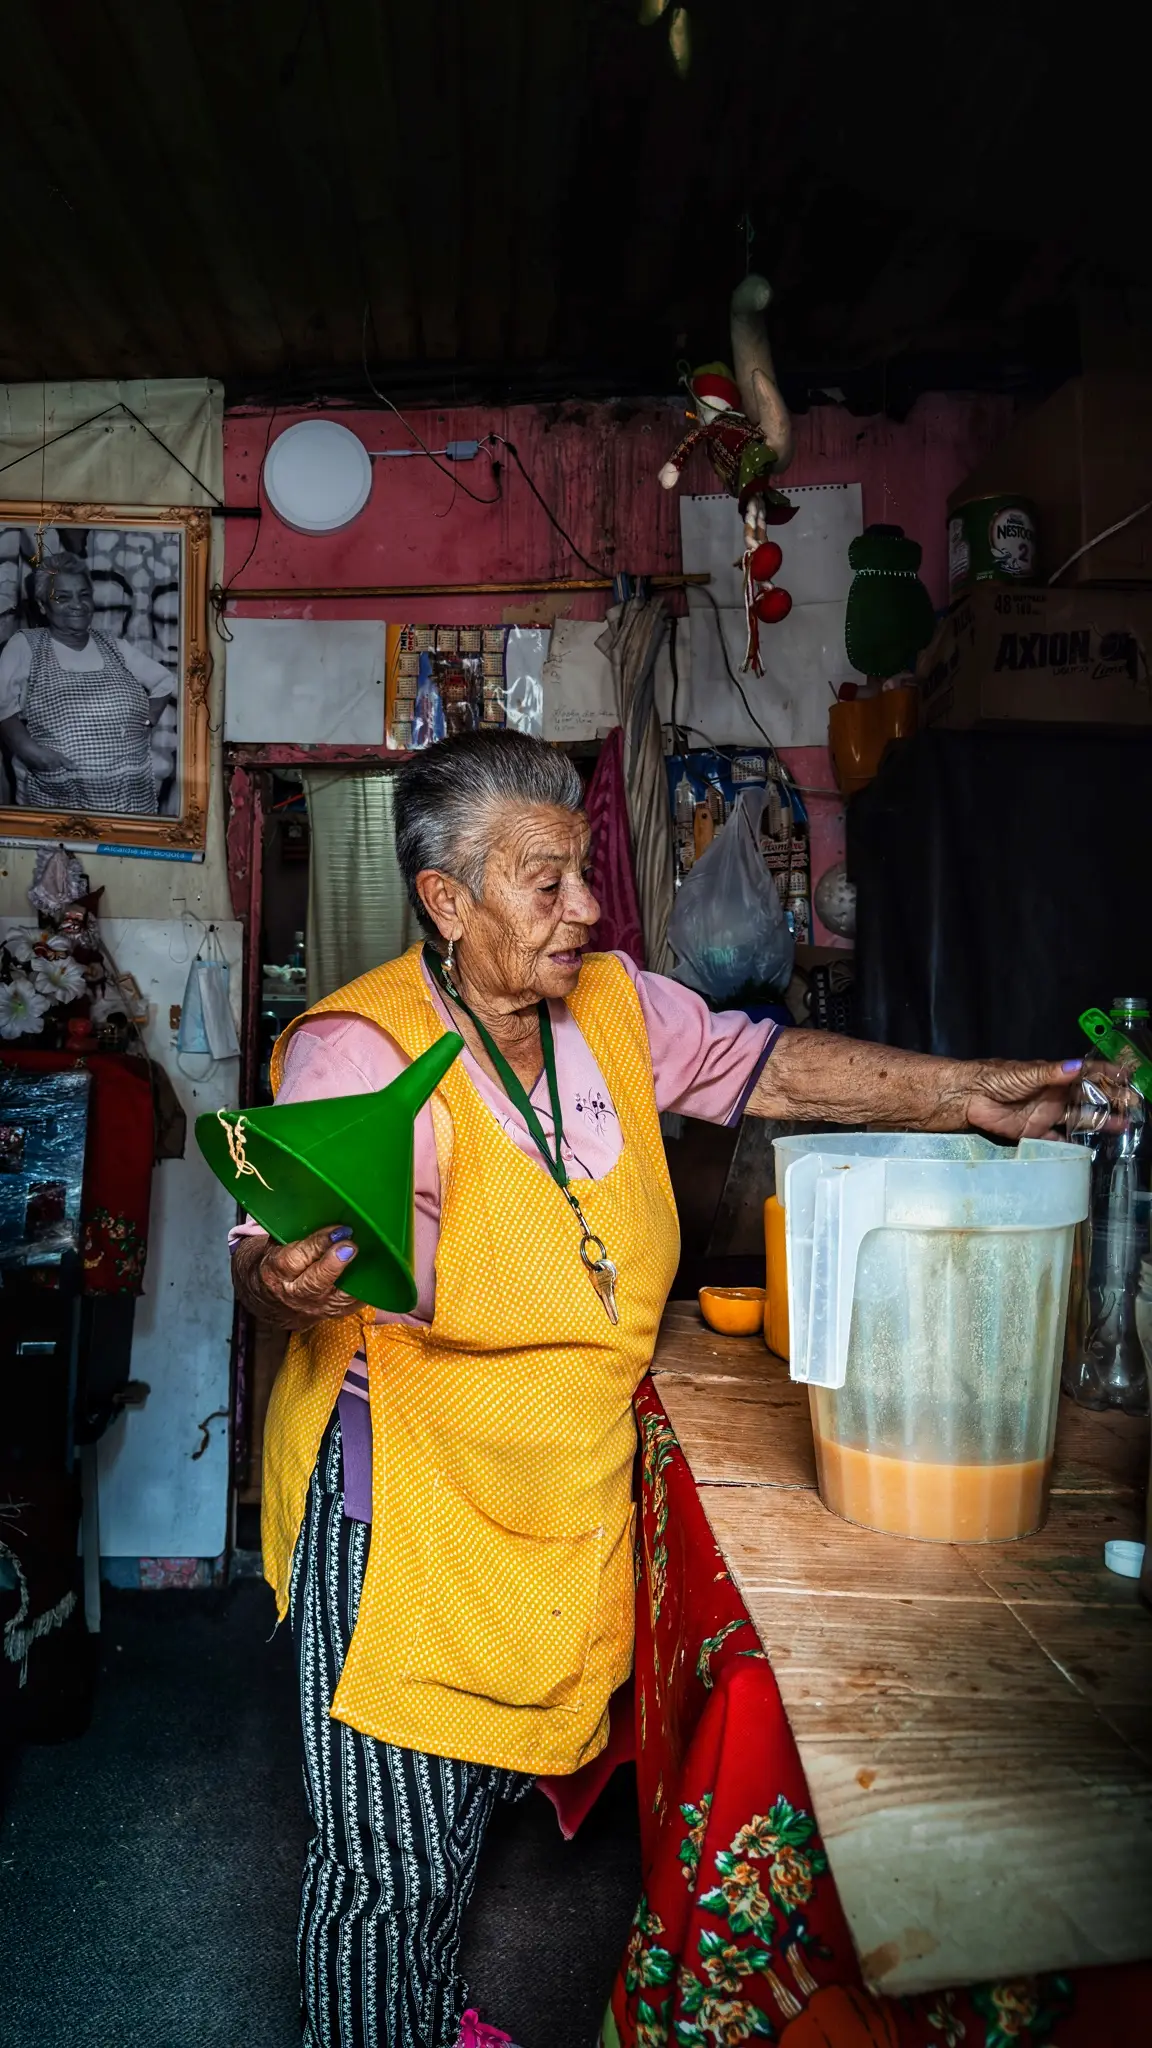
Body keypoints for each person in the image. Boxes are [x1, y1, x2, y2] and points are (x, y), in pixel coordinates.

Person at [231, 730, 1082, 2048]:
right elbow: (296, 1244)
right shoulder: (357, 1048)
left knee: (459, 1827)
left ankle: (419, 2019)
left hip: (564, 1497)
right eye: (544, 881)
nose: (585, 909)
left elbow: (777, 1067)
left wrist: (970, 1093)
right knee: (388, 1873)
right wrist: (293, 1279)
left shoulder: (621, 1005)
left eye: (584, 874)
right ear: (446, 901)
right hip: (414, 1514)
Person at [0, 554, 175, 814]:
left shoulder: (112, 644)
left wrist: (148, 721)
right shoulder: (26, 644)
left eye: (84, 595)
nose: (77, 605)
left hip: (130, 800)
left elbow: (164, 681)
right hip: (59, 796)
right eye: (62, 597)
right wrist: (29, 751)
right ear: (42, 605)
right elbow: (2, 705)